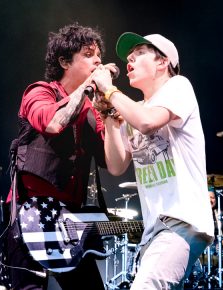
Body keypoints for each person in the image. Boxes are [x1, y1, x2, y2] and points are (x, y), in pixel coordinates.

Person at [91, 32, 215, 289]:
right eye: (128, 57)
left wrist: (110, 90)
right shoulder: (135, 107)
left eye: (138, 54)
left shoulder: (179, 86)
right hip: (155, 230)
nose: (129, 60)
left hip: (180, 221)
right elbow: (116, 165)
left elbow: (148, 122)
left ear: (162, 62)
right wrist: (110, 117)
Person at [1, 23, 117, 290]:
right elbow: (52, 123)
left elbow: (111, 163)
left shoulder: (92, 110)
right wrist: (88, 86)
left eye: (99, 54)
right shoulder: (40, 92)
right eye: (88, 54)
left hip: (70, 221)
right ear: (64, 61)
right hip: (29, 212)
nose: (98, 60)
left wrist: (112, 116)